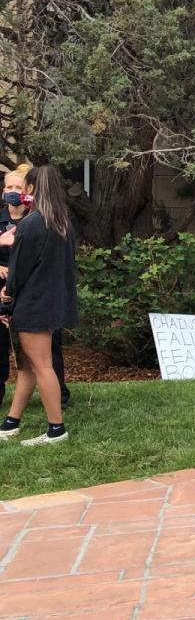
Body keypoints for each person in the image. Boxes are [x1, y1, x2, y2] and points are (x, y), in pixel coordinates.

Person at [0, 166, 78, 445]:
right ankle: (11, 423)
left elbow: (18, 269)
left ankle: (56, 429)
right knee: (27, 366)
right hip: (52, 303)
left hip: (33, 304)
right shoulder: (63, 223)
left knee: (41, 366)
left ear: (31, 188)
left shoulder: (32, 223)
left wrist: (6, 295)